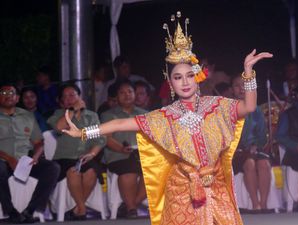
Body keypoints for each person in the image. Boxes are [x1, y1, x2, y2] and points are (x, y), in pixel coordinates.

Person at [62, 12, 272, 225]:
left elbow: (249, 106)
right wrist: (83, 132)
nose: (185, 82)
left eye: (189, 76)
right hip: (182, 188)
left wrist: (248, 73)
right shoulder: (164, 117)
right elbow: (118, 123)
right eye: (178, 77)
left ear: (197, 78)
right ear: (171, 84)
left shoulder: (216, 106)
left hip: (216, 185)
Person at [0, 83, 60, 224]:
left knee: (53, 168)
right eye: (3, 93)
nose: (8, 96)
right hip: (2, 160)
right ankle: (11, 212)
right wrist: (9, 159)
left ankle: (30, 211)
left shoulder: (27, 116)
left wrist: (35, 156)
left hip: (23, 161)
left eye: (11, 93)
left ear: (17, 98)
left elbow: (39, 142)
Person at [47, 83, 106, 220]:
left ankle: (77, 209)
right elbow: (59, 128)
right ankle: (82, 208)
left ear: (80, 97)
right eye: (65, 96)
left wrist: (92, 154)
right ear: (61, 101)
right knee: (74, 172)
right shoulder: (59, 114)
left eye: (72, 95)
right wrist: (73, 109)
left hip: (86, 156)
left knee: (91, 172)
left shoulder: (91, 116)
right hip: (64, 158)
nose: (69, 98)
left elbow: (100, 139)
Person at [100, 80, 148, 218]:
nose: (127, 95)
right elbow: (107, 138)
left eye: (130, 92)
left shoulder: (145, 114)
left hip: (141, 155)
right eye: (122, 92)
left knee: (156, 171)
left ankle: (129, 204)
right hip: (118, 155)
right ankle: (132, 208)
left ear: (135, 94)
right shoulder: (108, 115)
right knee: (129, 170)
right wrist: (121, 148)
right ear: (116, 96)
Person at [231, 75, 271, 212]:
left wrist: (256, 145)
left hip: (254, 149)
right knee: (250, 163)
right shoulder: (228, 109)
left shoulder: (256, 110)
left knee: (264, 164)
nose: (241, 88)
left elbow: (262, 136)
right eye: (237, 85)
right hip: (236, 153)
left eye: (243, 85)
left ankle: (264, 204)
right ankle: (255, 205)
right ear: (232, 89)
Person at [276, 85, 298, 211]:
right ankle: (294, 201)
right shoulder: (288, 114)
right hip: (295, 150)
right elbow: (280, 136)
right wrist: (295, 145)